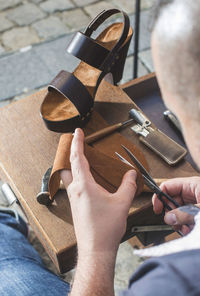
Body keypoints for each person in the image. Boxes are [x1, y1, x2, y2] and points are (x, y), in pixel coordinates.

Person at [1, 0, 200, 295]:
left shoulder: (166, 282)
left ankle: (8, 222)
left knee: (7, 267)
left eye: (171, 101)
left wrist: (96, 250)